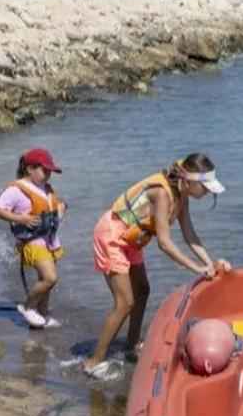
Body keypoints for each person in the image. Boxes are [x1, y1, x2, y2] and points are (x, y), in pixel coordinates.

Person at [83, 153, 231, 380]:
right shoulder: (162, 194)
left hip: (132, 239)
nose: (208, 192)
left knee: (143, 291)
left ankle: (131, 347)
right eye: (206, 187)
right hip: (112, 235)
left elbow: (189, 234)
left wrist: (210, 264)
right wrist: (197, 268)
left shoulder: (182, 196)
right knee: (125, 303)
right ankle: (94, 362)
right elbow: (164, 243)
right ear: (189, 181)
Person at [0, 148, 67, 329]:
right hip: (32, 241)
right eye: (44, 170)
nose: (48, 175)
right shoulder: (16, 190)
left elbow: (51, 209)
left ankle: (41, 317)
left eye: (50, 171)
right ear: (29, 169)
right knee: (50, 278)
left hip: (48, 239)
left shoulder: (46, 188)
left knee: (45, 282)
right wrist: (21, 218)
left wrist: (61, 209)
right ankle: (28, 307)